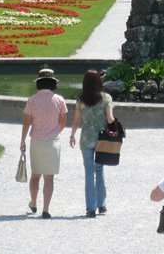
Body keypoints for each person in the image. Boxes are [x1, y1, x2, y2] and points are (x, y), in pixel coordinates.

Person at [21, 68, 68, 218]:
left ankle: (33, 203)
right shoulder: (59, 100)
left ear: (39, 83)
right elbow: (63, 122)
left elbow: (27, 123)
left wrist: (22, 140)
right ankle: (46, 209)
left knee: (35, 175)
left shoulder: (32, 100)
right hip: (53, 142)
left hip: (36, 141)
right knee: (49, 177)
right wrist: (54, 132)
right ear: (53, 83)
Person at [69, 69, 115, 218]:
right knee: (100, 170)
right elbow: (110, 118)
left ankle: (90, 208)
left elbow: (76, 121)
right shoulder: (106, 98)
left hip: (86, 139)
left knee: (89, 173)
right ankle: (101, 205)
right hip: (101, 139)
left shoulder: (80, 100)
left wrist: (72, 135)